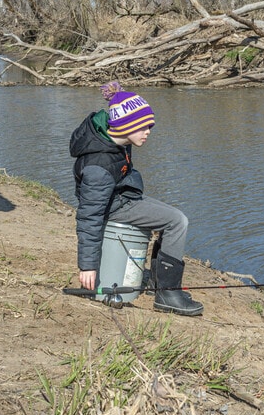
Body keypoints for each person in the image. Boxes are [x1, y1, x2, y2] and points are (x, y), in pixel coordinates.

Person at [69, 82, 204, 316]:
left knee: (174, 218)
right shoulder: (98, 168)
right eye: (143, 127)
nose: (148, 132)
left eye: (149, 126)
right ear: (124, 126)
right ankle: (168, 294)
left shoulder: (115, 138)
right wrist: (88, 267)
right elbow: (89, 216)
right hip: (114, 206)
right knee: (177, 221)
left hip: (121, 196)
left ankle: (156, 283)